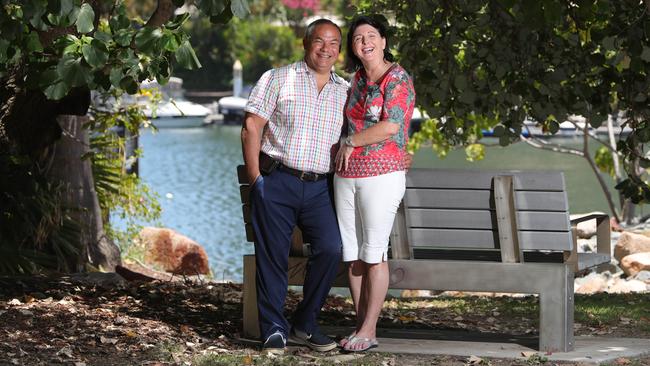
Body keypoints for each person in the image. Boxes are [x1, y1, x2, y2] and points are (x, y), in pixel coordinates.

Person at [240, 19, 348, 354]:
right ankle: (274, 329)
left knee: (331, 248)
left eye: (332, 43)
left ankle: (304, 324)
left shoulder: (345, 90)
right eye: (319, 41)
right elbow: (251, 127)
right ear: (306, 43)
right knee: (272, 256)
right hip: (278, 180)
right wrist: (257, 178)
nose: (325, 49)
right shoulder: (277, 78)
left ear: (339, 51)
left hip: (319, 188)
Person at [334, 14, 416, 353]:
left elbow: (391, 127)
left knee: (374, 254)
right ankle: (360, 327)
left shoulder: (398, 79)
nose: (364, 42)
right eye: (357, 38)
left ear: (383, 41)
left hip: (381, 176)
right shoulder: (354, 81)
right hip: (346, 177)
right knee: (352, 255)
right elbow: (345, 124)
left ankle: (370, 329)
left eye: (371, 35)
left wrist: (351, 143)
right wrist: (344, 144)